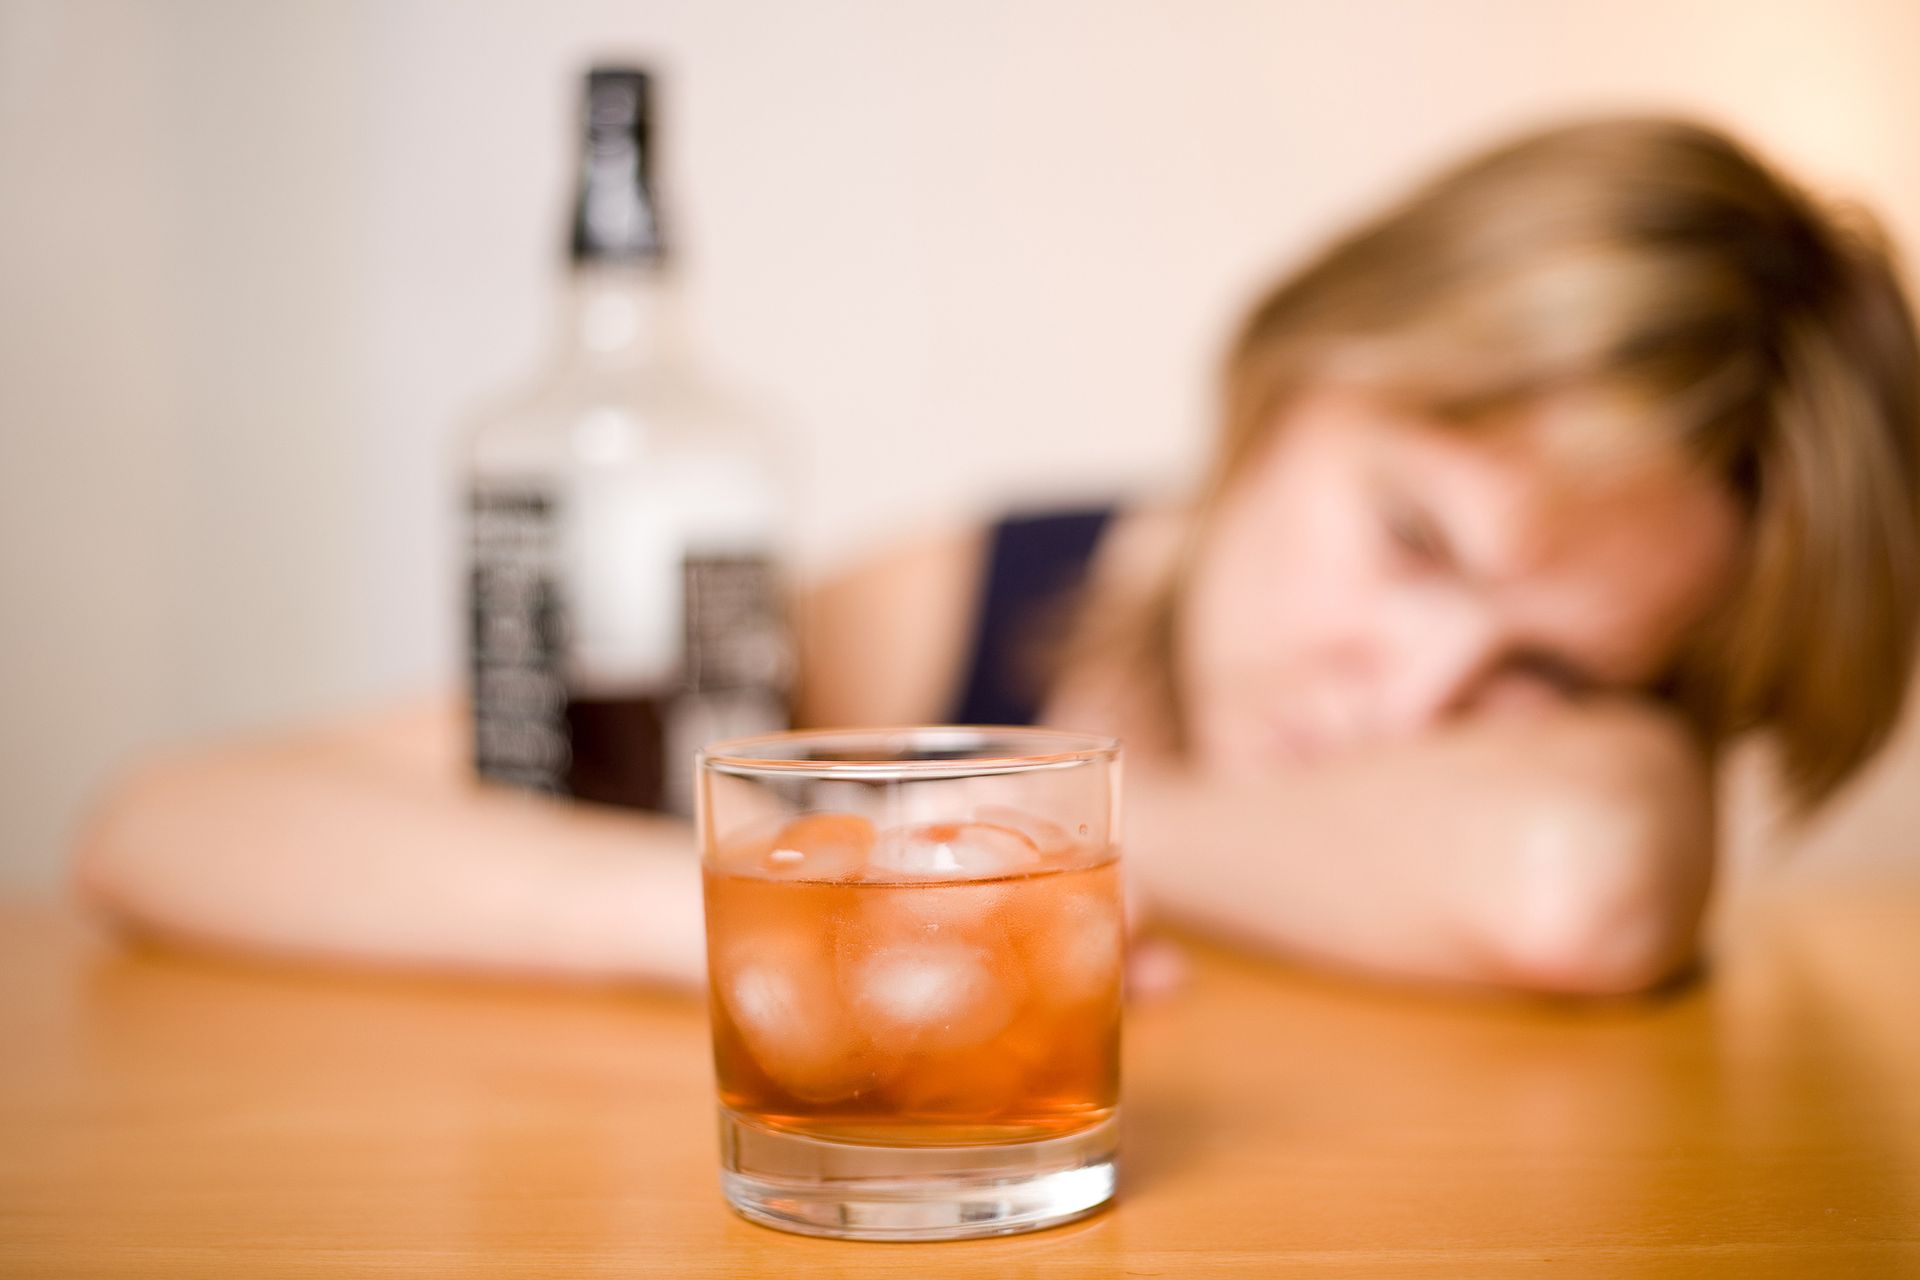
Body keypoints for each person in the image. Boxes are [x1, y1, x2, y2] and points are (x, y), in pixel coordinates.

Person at [76, 116, 1920, 996]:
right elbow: (173, 822)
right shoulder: (961, 603)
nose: (1420, 697)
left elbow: (1572, 880)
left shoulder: (1597, 769)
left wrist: (963, 834)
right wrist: (760, 900)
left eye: (1561, 672)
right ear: (1287, 384)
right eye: (1417, 540)